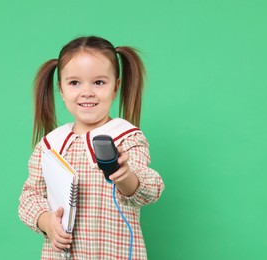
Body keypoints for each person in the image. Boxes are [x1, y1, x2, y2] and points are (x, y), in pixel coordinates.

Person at [18, 36, 165, 259]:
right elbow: (30, 197)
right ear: (61, 89)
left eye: (99, 82)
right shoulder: (51, 145)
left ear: (115, 87)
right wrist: (46, 220)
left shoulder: (126, 137)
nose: (87, 92)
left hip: (115, 253)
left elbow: (150, 190)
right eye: (74, 83)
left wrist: (125, 176)